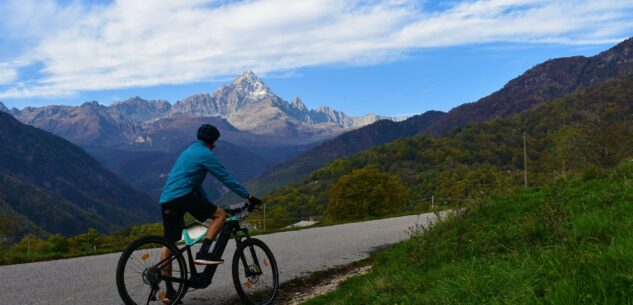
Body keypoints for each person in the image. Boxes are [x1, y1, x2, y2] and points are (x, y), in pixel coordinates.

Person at [159, 124, 262, 300]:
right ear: (213, 142)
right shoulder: (206, 154)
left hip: (167, 199)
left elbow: (196, 184)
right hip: (184, 196)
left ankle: (169, 291)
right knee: (220, 216)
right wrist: (248, 196)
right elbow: (226, 178)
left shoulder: (188, 151)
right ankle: (204, 252)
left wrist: (207, 204)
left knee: (169, 243)